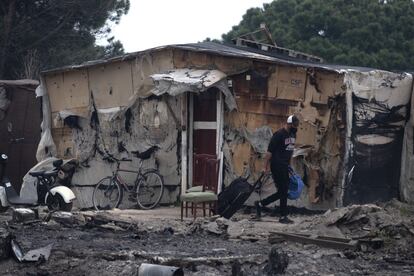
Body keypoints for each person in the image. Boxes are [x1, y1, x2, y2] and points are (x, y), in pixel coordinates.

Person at [255, 115, 299, 224]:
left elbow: (291, 150)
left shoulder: (293, 134)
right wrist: (264, 167)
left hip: (285, 166)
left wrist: (290, 165)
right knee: (284, 190)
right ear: (288, 124)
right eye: (293, 125)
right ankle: (283, 216)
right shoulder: (278, 135)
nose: (295, 127)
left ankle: (260, 204)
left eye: (296, 126)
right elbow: (269, 152)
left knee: (282, 192)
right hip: (277, 165)